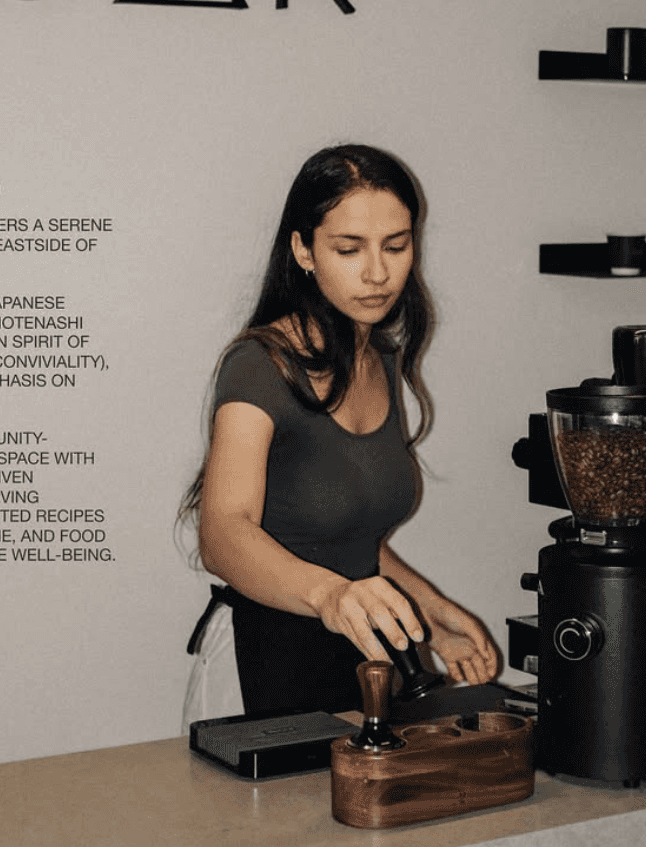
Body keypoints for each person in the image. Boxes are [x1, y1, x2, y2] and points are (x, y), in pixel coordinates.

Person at [180, 143, 498, 723]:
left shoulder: (380, 358)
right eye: (349, 249)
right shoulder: (260, 364)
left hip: (359, 655)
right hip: (264, 653)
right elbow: (223, 535)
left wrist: (429, 612)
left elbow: (346, 540)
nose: (377, 273)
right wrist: (330, 596)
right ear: (303, 250)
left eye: (396, 246)